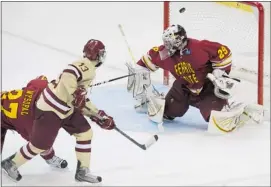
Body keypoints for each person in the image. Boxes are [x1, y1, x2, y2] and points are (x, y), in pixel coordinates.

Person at [1, 39, 116, 184]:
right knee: (39, 145)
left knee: (85, 132)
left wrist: (98, 115)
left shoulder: (88, 67)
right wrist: (75, 93)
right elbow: (69, 73)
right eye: (101, 53)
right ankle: (11, 163)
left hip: (65, 108)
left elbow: (78, 98)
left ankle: (83, 170)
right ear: (97, 55)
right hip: (50, 109)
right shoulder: (85, 66)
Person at [126, 24, 264, 133]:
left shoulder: (200, 47)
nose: (167, 46)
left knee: (214, 119)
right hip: (183, 88)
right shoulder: (164, 53)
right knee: (166, 113)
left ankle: (240, 111)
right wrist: (138, 73)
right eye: (165, 42)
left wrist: (219, 72)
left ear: (180, 40)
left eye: (170, 42)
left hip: (207, 87)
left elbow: (224, 52)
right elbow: (146, 62)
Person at [1, 75, 68, 169]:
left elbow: (41, 78)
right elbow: (38, 144)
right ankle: (50, 158)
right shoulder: (29, 123)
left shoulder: (41, 85)